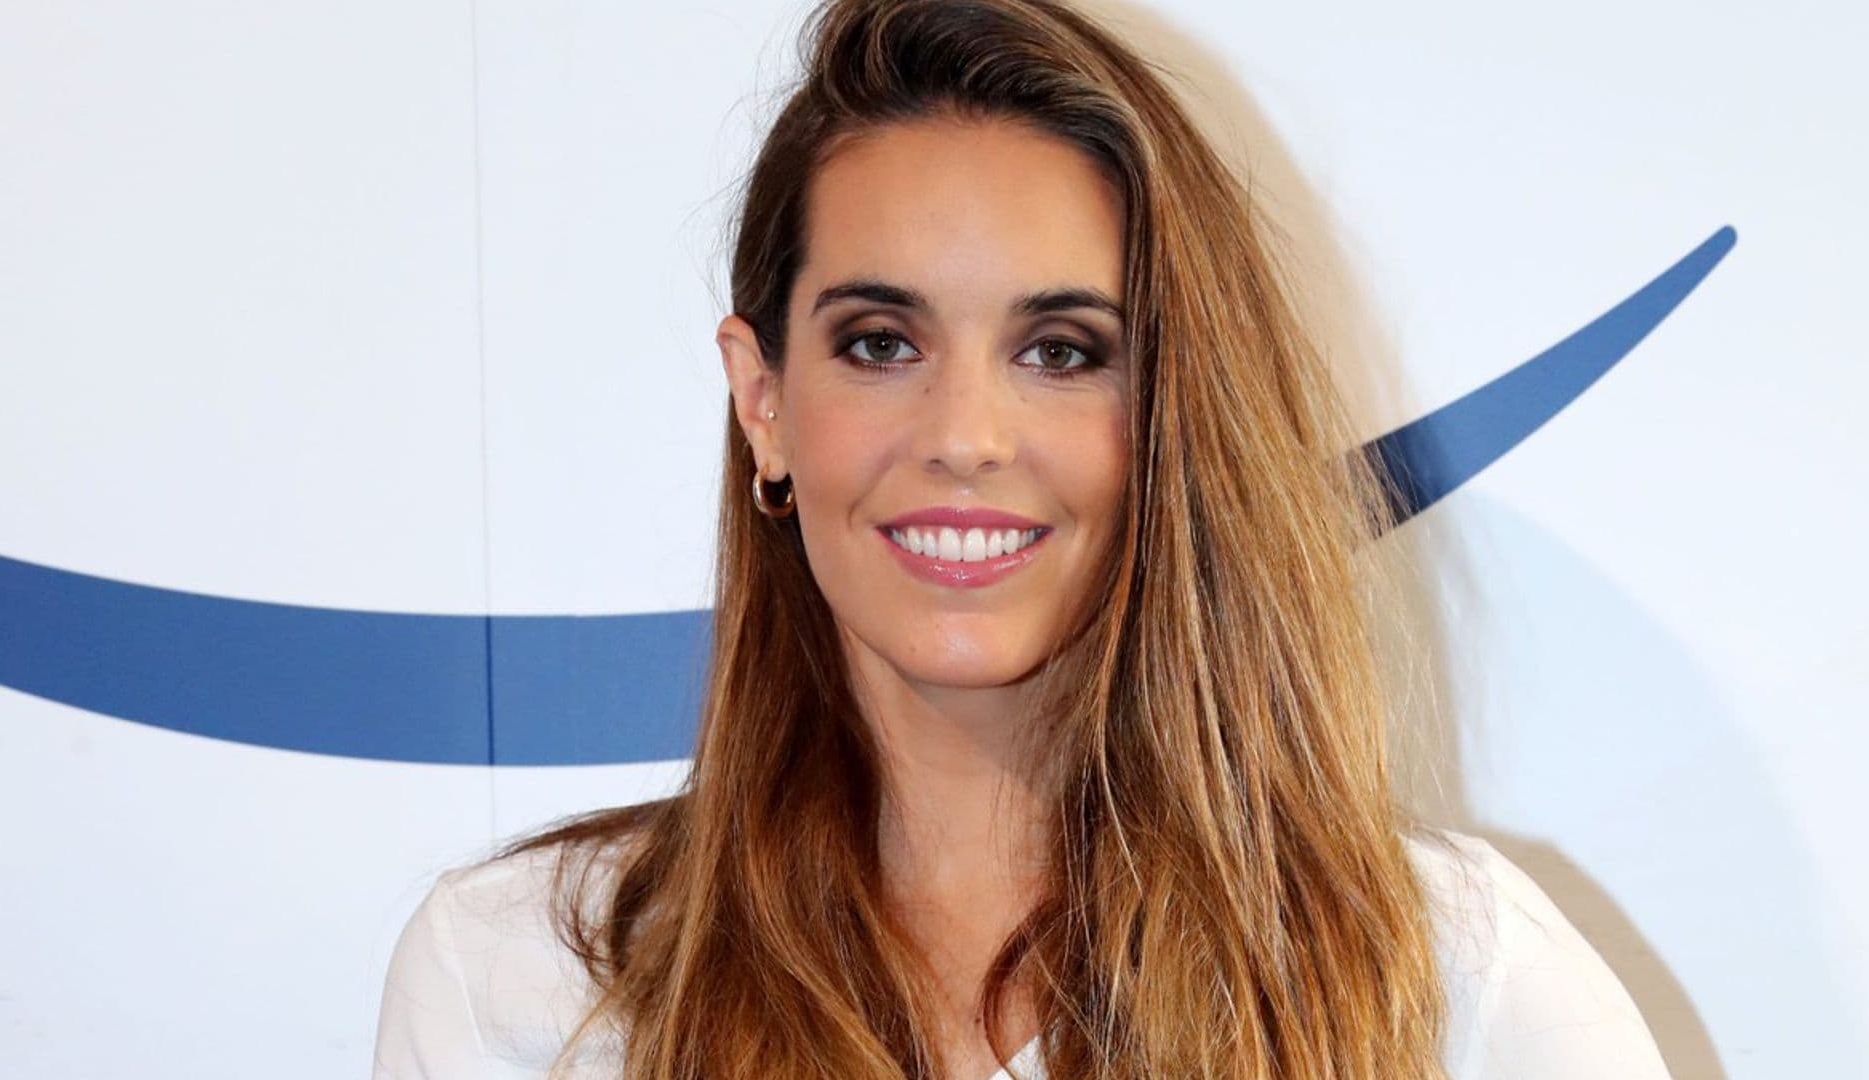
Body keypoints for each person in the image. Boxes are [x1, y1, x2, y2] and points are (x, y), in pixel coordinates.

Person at [373, 0, 1672, 1076]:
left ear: (1170, 415)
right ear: (764, 402)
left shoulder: (1449, 976)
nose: (966, 436)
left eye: (1060, 352)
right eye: (880, 343)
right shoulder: (522, 978)